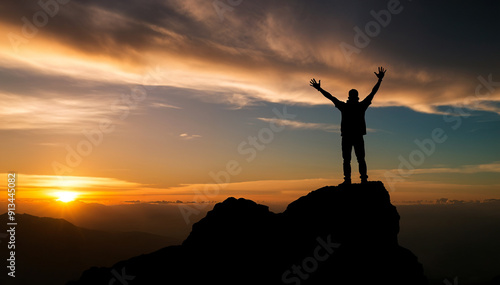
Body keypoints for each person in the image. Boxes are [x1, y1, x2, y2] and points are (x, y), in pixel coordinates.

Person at [310, 67, 386, 184]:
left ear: (349, 97)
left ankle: (350, 180)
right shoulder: (360, 106)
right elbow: (372, 93)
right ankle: (361, 179)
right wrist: (380, 80)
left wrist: (320, 89)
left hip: (348, 136)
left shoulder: (345, 107)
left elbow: (331, 97)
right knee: (358, 159)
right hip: (355, 136)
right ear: (357, 97)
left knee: (348, 159)